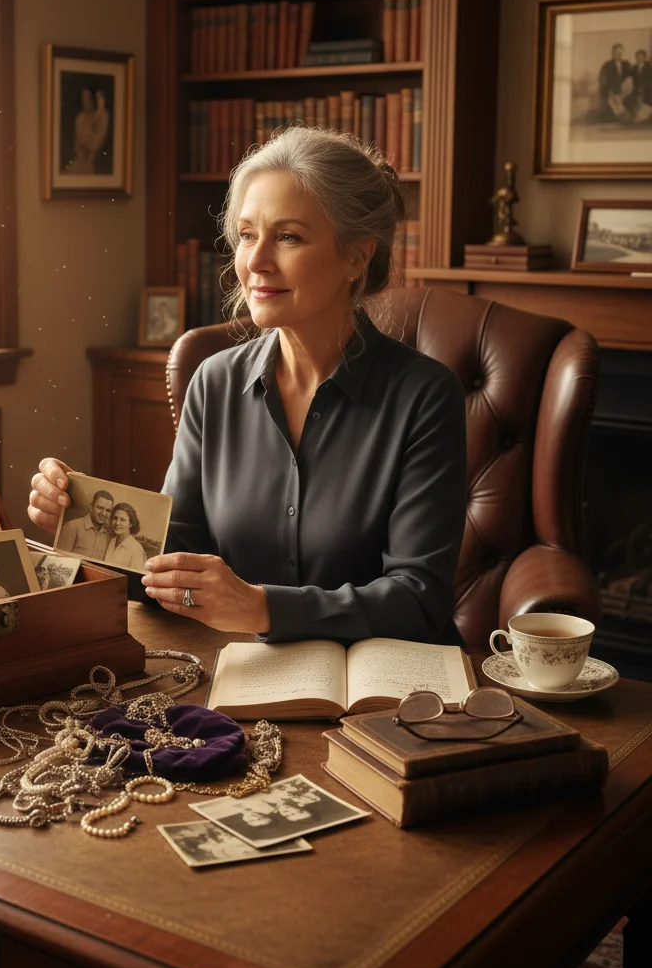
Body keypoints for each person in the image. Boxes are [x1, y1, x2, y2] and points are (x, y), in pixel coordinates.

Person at [29, 126, 467, 645]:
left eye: (288, 237)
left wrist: (262, 608)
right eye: (246, 235)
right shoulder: (214, 382)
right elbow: (177, 559)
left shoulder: (425, 397)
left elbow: (419, 597)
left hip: (385, 683)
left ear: (357, 257)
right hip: (246, 671)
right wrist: (82, 522)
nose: (255, 261)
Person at [57, 491, 113, 559]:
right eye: (100, 508)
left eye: (108, 510)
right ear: (91, 507)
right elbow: (58, 558)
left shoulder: (107, 537)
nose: (104, 513)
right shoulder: (73, 526)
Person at [104, 502, 147, 572]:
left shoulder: (136, 550)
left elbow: (136, 576)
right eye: (115, 518)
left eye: (122, 520)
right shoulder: (110, 541)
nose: (117, 523)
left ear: (130, 524)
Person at [599, 44, 632, 120]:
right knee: (612, 100)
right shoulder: (607, 66)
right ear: (613, 53)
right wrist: (609, 92)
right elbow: (603, 81)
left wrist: (626, 88)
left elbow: (631, 78)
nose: (618, 55)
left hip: (625, 91)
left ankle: (623, 114)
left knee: (629, 81)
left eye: (620, 53)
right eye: (616, 53)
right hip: (612, 91)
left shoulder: (627, 64)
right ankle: (623, 114)